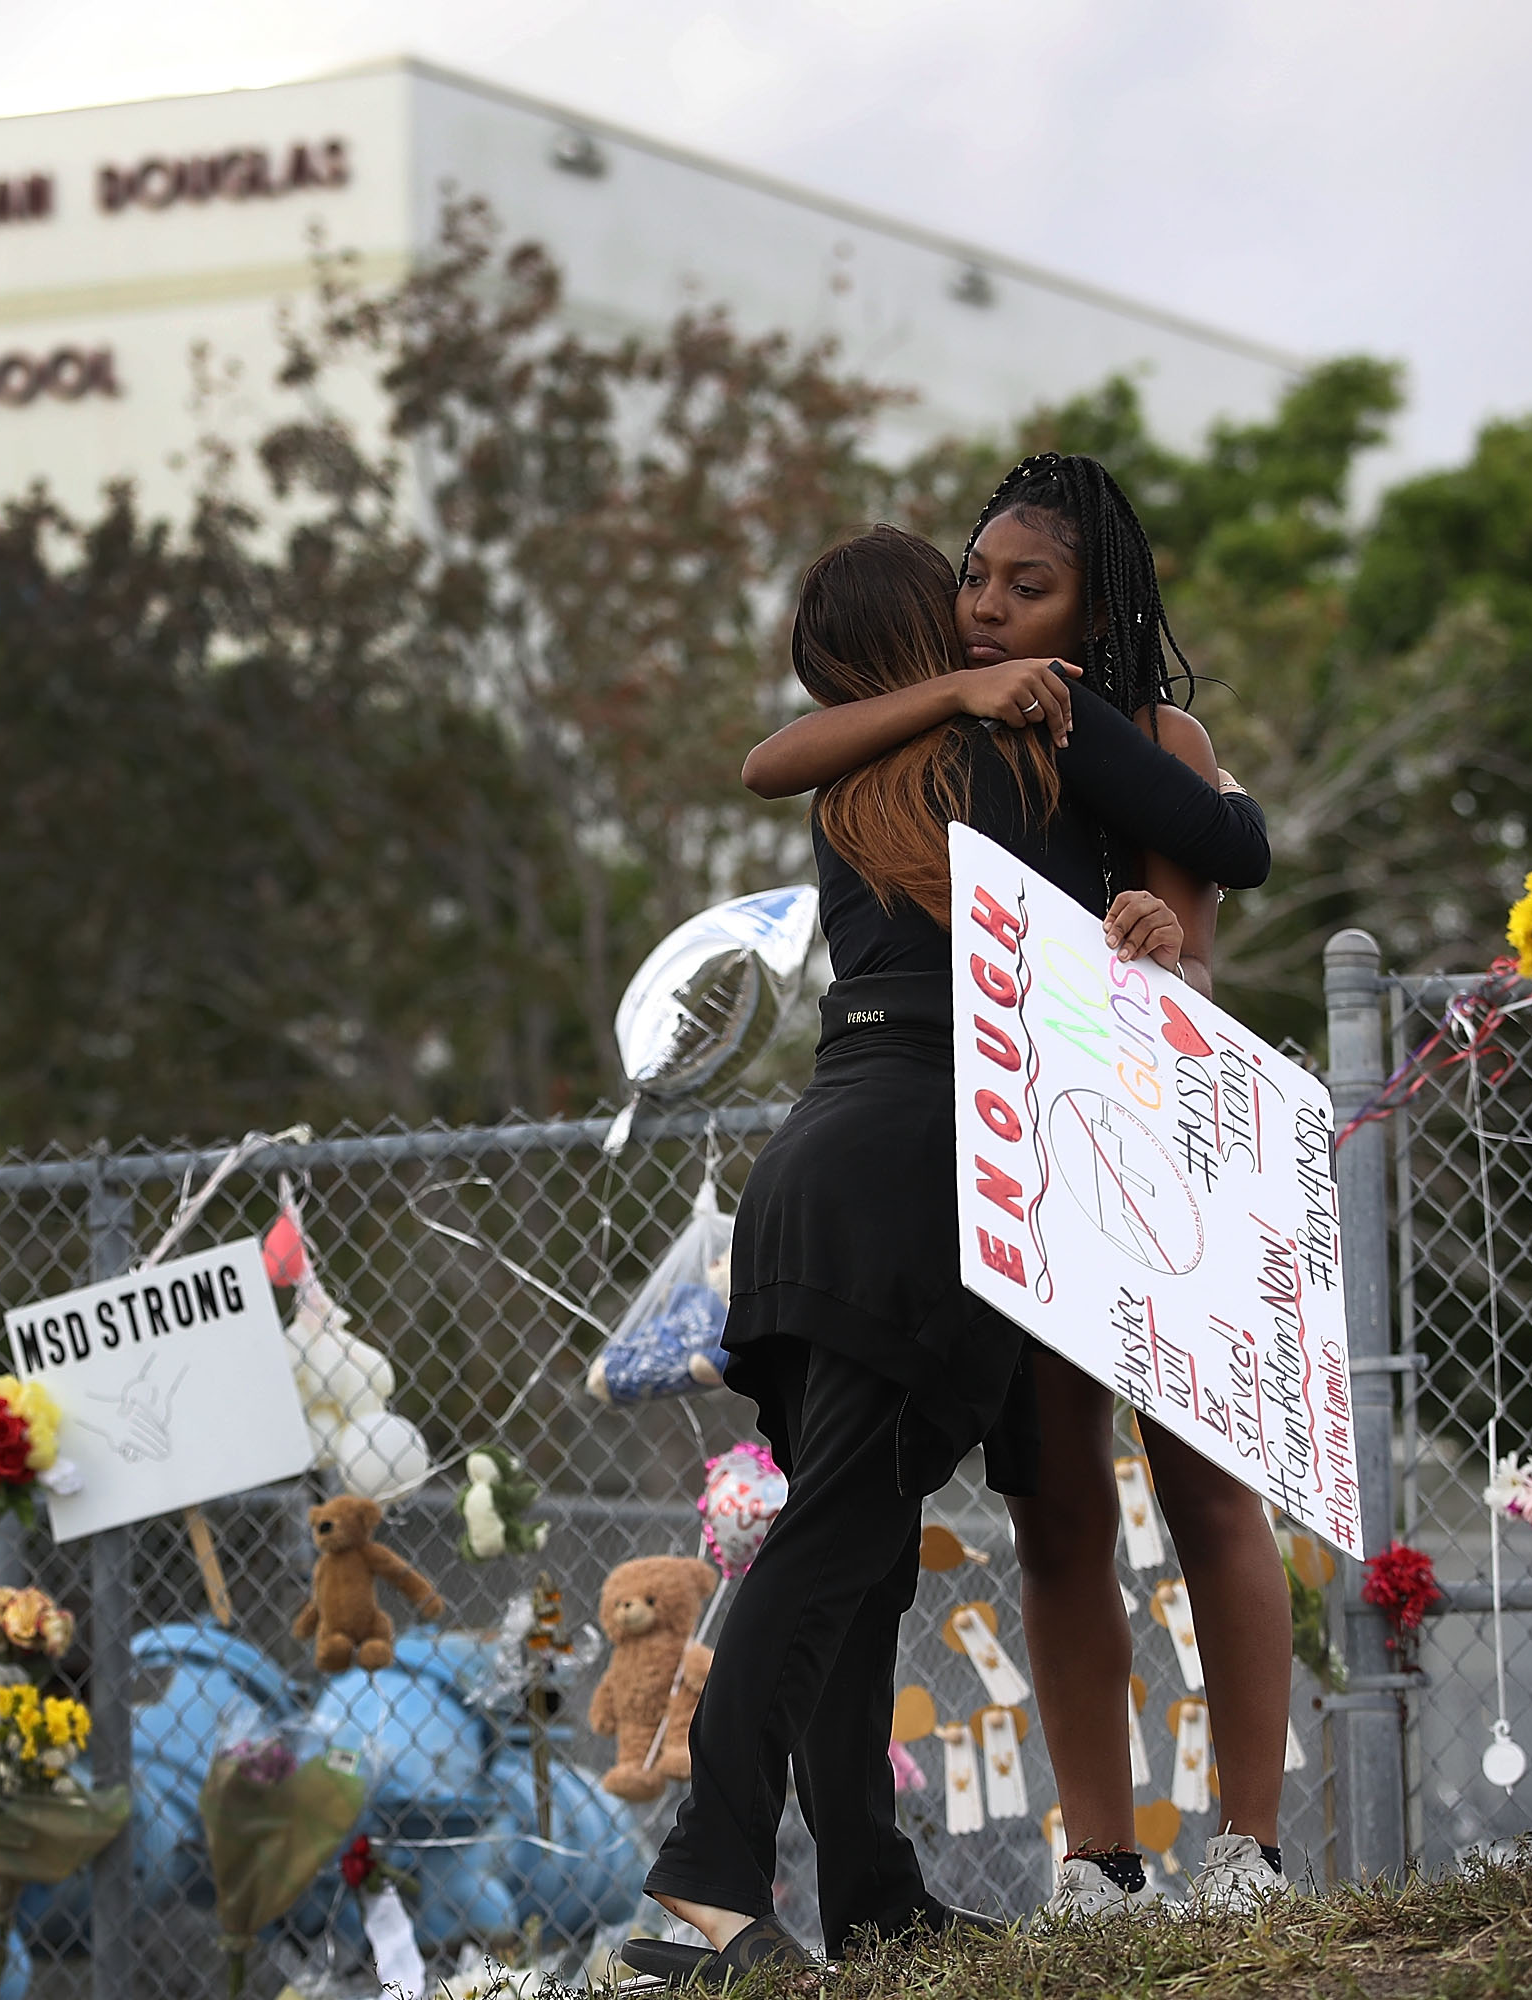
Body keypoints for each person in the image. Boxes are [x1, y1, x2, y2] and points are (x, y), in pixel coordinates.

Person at [623, 521, 1268, 1986]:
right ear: (936, 639)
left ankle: (869, 1890)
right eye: (965, 604)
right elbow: (1221, 846)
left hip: (811, 1178)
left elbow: (776, 758)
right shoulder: (1014, 759)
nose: (989, 623)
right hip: (925, 1173)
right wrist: (1164, 883)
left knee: (859, 1556)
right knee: (842, 1535)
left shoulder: (861, 778)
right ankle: (707, 1878)